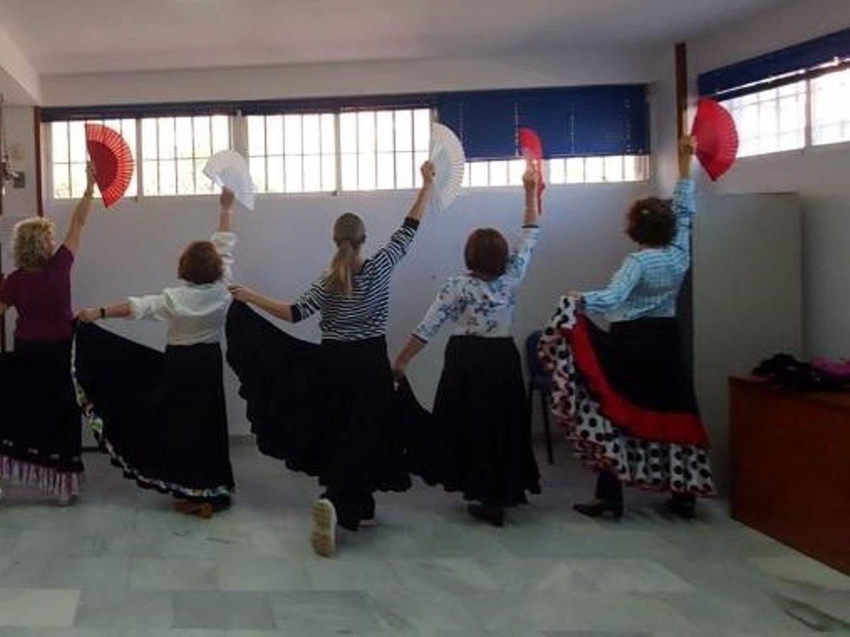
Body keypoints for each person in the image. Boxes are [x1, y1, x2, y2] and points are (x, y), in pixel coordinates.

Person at [230, 161, 434, 556]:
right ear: (363, 240)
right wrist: (425, 185)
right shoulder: (379, 268)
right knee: (366, 434)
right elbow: (410, 228)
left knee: (339, 431)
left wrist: (250, 295)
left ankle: (350, 503)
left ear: (334, 240)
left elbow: (294, 313)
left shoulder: (327, 281)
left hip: (332, 365)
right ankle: (342, 505)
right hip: (370, 363)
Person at [544, 135, 713, 521]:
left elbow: (613, 298)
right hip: (667, 341)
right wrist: (686, 163)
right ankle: (684, 493)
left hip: (631, 344)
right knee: (675, 410)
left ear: (636, 230)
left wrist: (578, 298)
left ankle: (610, 497)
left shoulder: (637, 264)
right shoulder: (679, 254)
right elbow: (686, 211)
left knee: (613, 412)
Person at [391, 163, 543, 527]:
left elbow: (428, 327)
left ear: (470, 255)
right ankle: (498, 495)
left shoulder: (457, 285)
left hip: (466, 361)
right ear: (502, 255)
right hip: (502, 359)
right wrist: (529, 192)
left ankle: (478, 487)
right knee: (501, 426)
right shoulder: (512, 277)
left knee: (467, 426)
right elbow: (531, 233)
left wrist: (401, 360)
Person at [0, 167, 96, 510]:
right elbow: (79, 223)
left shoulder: (15, 280)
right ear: (47, 244)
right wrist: (89, 187)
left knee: (10, 412)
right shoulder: (61, 265)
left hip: (27, 355)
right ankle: (62, 485)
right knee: (59, 414)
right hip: (60, 354)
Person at [73, 188, 238, 519]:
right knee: (209, 426)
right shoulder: (224, 291)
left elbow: (136, 307)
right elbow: (225, 244)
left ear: (184, 268)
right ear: (217, 269)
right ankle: (212, 491)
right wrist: (226, 207)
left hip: (179, 366)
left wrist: (97, 312)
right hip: (207, 364)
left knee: (181, 426)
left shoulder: (175, 299)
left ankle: (191, 490)